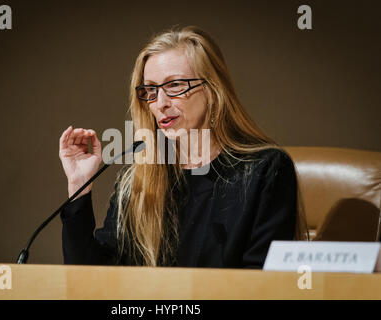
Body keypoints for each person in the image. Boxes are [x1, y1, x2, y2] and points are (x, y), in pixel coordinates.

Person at [58, 26, 309, 268]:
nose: (160, 103)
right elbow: (92, 278)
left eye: (175, 85)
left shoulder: (265, 170)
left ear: (212, 89)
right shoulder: (138, 178)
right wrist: (79, 187)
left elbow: (263, 282)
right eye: (151, 90)